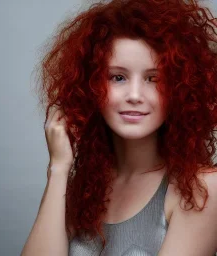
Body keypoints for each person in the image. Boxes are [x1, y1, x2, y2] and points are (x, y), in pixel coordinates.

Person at [21, 0, 217, 255]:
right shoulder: (85, 188)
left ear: (180, 90)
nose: (134, 95)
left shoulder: (202, 189)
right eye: (118, 77)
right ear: (90, 87)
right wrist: (58, 169)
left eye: (154, 78)